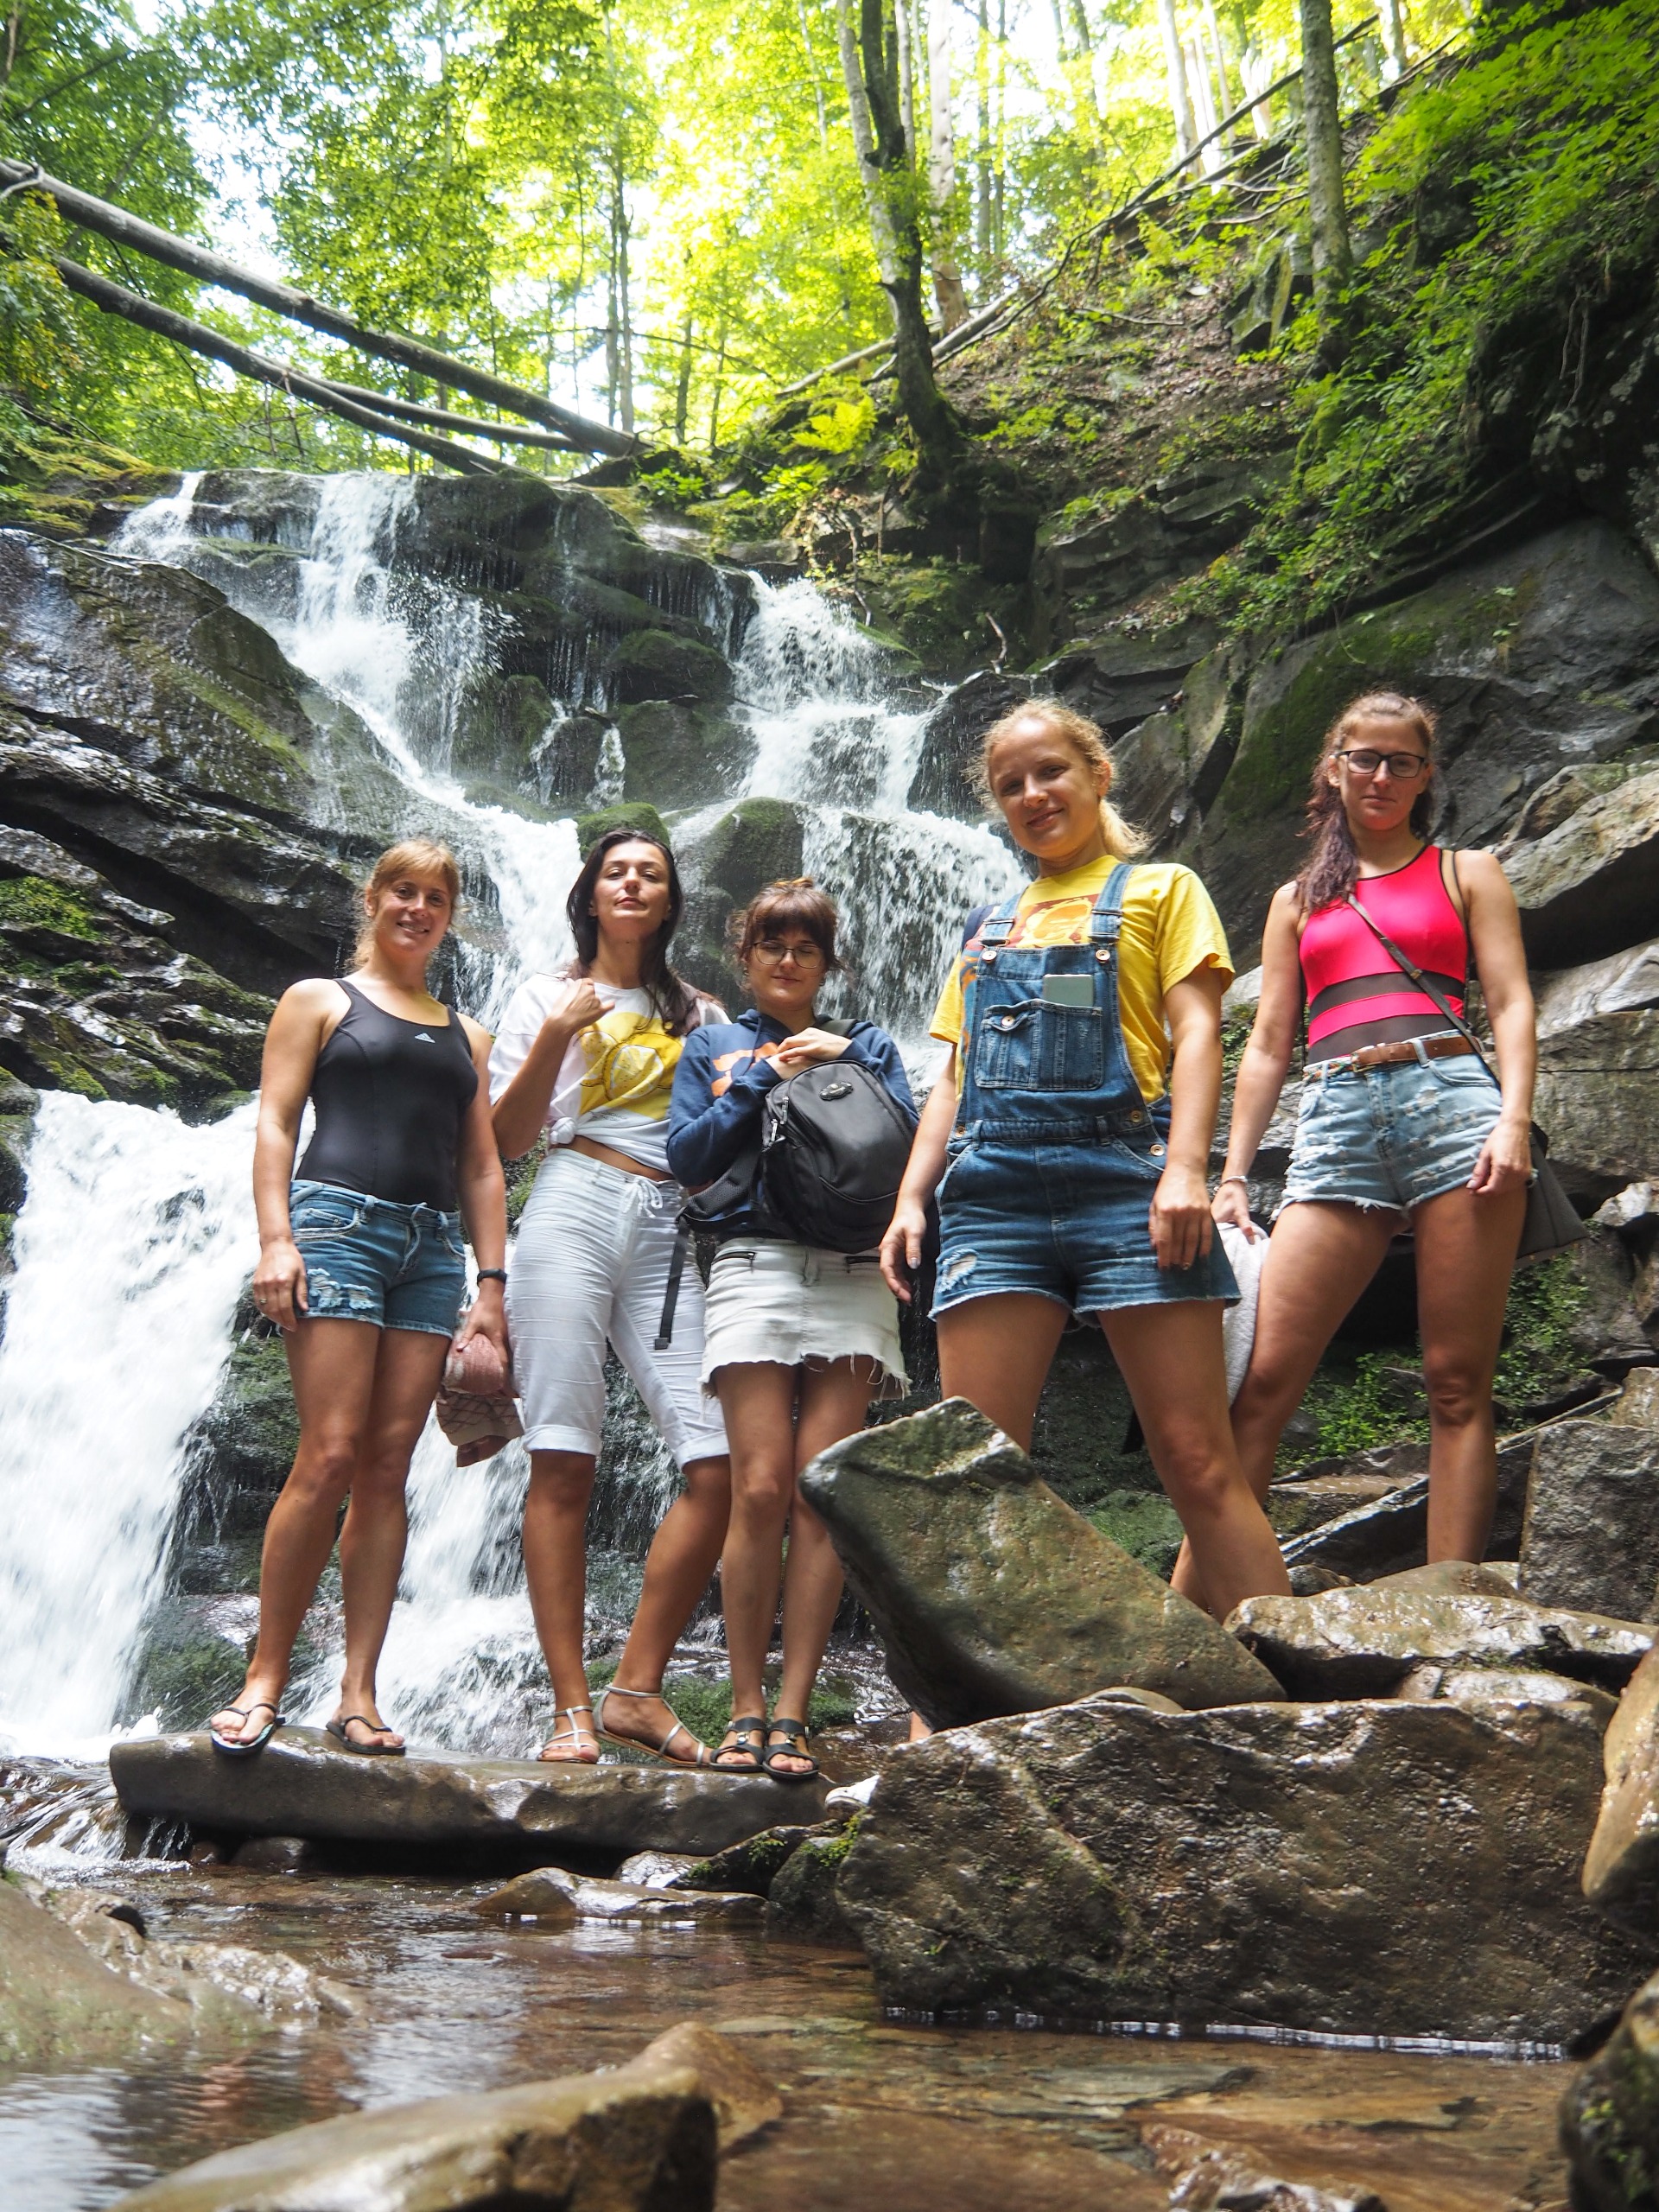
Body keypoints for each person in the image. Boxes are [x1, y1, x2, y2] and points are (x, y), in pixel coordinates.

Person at [880, 701, 1292, 1623]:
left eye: (1050, 771)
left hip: (1130, 1186)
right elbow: (949, 1078)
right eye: (1011, 784)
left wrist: (1188, 1169)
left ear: (1098, 773)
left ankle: (1314, 1678)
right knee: (975, 1471)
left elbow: (1197, 1034)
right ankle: (940, 1730)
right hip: (990, 1198)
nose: (1032, 794)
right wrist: (912, 1198)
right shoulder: (986, 928)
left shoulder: (1162, 891)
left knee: (1195, 1459)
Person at [1198, 691, 1535, 1592]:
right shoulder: (1296, 901)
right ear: (1333, 767)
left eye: (1402, 762)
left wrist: (1513, 1119)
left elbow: (1508, 1002)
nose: (1381, 776)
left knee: (1457, 1381)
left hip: (1453, 1108)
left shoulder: (1469, 872)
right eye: (1364, 758)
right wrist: (1231, 1175)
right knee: (1261, 1386)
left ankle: (1449, 1614)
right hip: (1338, 1116)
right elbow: (1270, 1042)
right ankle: (1202, 1622)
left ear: (1426, 776)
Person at [207, 839, 510, 1757]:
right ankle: (263, 1678)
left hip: (430, 1248)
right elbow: (275, 1119)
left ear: (450, 916)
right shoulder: (319, 1000)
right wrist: (277, 1237)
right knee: (330, 1453)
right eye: (403, 892)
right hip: (337, 1223)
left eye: (435, 898)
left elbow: (483, 1164)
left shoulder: (469, 1034)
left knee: (387, 1469)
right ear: (372, 900)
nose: (418, 909)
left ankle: (359, 1692)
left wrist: (490, 1287)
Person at [489, 827, 730, 1765]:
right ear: (591, 894)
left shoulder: (701, 1009)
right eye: (616, 872)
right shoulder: (544, 994)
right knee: (563, 1458)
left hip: (672, 1222)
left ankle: (637, 1688)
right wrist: (555, 1036)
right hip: (572, 1200)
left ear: (669, 903)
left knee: (715, 1462)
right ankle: (571, 1708)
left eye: (653, 875)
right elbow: (506, 1138)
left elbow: (721, 1137)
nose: (633, 884)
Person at [667, 879, 916, 1781]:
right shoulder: (714, 1045)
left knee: (820, 1494)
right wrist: (761, 1080)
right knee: (760, 1485)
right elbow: (686, 1160)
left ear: (827, 962)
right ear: (745, 956)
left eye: (805, 947)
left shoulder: (871, 1045)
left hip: (852, 1276)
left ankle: (795, 1715)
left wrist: (846, 1061)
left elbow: (909, 1146)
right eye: (771, 944)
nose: (786, 960)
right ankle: (742, 1708)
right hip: (753, 1266)